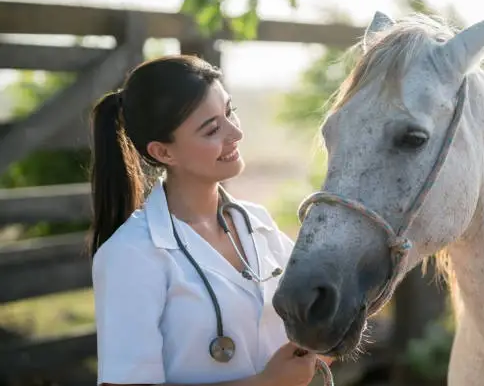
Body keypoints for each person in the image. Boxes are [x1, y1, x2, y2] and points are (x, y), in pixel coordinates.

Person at [88, 55, 332, 386]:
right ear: (164, 153)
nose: (235, 133)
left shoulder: (256, 223)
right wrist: (265, 383)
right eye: (213, 129)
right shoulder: (130, 255)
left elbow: (324, 317)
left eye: (230, 112)